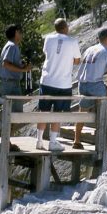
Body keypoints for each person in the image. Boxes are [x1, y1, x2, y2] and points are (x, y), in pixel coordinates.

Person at [36, 18, 81, 151]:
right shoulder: (72, 41)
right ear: (66, 27)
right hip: (63, 82)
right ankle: (53, 141)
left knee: (43, 110)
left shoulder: (48, 39)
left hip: (47, 80)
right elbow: (77, 60)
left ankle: (39, 140)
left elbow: (47, 53)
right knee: (58, 112)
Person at [73, 28, 107, 149]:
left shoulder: (89, 49)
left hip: (82, 84)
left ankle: (77, 140)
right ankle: (105, 130)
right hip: (95, 85)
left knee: (82, 110)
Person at [0, 24, 32, 113]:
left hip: (8, 83)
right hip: (11, 85)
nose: (22, 34)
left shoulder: (10, 45)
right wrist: (24, 70)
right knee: (15, 115)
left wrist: (21, 65)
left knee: (9, 114)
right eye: (20, 32)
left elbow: (9, 63)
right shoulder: (12, 46)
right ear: (16, 32)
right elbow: (5, 64)